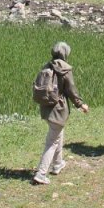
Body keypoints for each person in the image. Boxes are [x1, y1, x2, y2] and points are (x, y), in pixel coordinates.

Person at [31, 42, 90, 185]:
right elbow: (71, 90)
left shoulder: (47, 65)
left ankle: (58, 164)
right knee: (52, 141)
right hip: (58, 110)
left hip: (46, 108)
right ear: (66, 53)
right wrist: (81, 104)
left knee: (58, 133)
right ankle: (41, 173)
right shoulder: (65, 69)